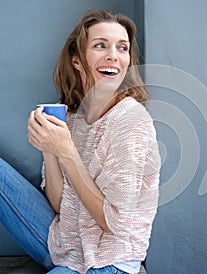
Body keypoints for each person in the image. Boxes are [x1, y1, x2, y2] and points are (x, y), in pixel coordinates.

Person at [0, 9, 160, 274]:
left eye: (123, 48)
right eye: (100, 45)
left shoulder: (132, 122)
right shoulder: (72, 118)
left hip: (108, 261)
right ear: (77, 60)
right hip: (64, 243)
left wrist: (67, 151)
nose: (113, 56)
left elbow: (116, 223)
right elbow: (59, 203)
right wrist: (50, 149)